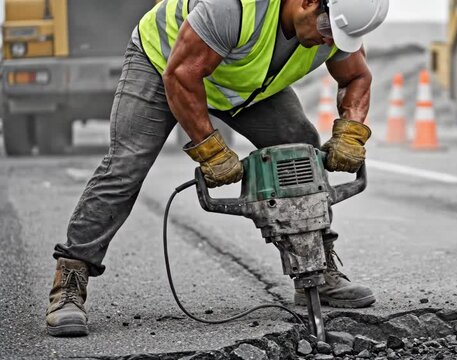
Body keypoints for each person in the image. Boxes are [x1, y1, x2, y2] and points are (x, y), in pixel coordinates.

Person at [45, 0, 389, 337]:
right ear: (309, 2)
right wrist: (208, 149)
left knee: (299, 145)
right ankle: (70, 280)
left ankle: (315, 265)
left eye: (340, 37)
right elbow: (181, 75)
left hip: (238, 84)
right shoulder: (234, 8)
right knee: (127, 164)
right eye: (328, 29)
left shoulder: (335, 28)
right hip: (165, 62)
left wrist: (352, 131)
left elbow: (357, 76)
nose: (330, 41)